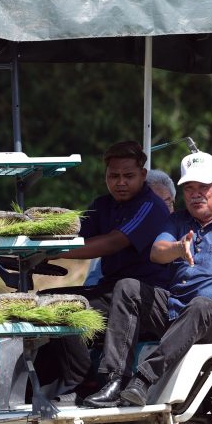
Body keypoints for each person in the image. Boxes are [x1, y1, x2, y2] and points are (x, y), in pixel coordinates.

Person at [83, 151, 212, 408]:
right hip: (178, 312)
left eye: (203, 187)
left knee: (200, 305)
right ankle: (113, 380)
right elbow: (157, 252)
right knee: (127, 287)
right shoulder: (176, 221)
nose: (195, 194)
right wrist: (179, 248)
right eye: (189, 188)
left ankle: (144, 379)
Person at [34, 141, 170, 396]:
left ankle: (83, 378)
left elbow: (112, 242)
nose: (120, 182)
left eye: (128, 176)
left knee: (65, 305)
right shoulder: (103, 205)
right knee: (45, 301)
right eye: (113, 176)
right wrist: (33, 240)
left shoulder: (151, 206)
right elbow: (74, 234)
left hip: (145, 297)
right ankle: (41, 386)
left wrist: (52, 252)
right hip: (111, 291)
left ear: (143, 175)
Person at [83, 168, 175, 287]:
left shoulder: (179, 236)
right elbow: (92, 284)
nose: (159, 211)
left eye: (167, 203)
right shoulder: (106, 212)